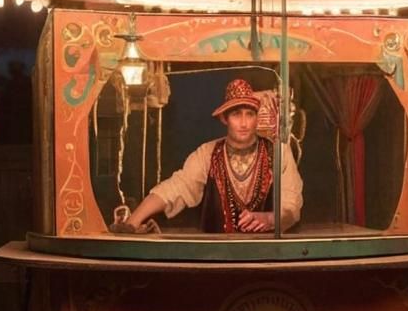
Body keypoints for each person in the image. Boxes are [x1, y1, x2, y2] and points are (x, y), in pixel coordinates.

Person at [113, 78, 303, 234]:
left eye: (250, 114)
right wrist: (132, 222)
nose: (244, 123)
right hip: (215, 255)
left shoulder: (278, 152)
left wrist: (270, 218)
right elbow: (175, 188)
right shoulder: (208, 153)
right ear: (224, 118)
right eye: (237, 114)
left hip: (267, 254)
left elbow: (291, 207)